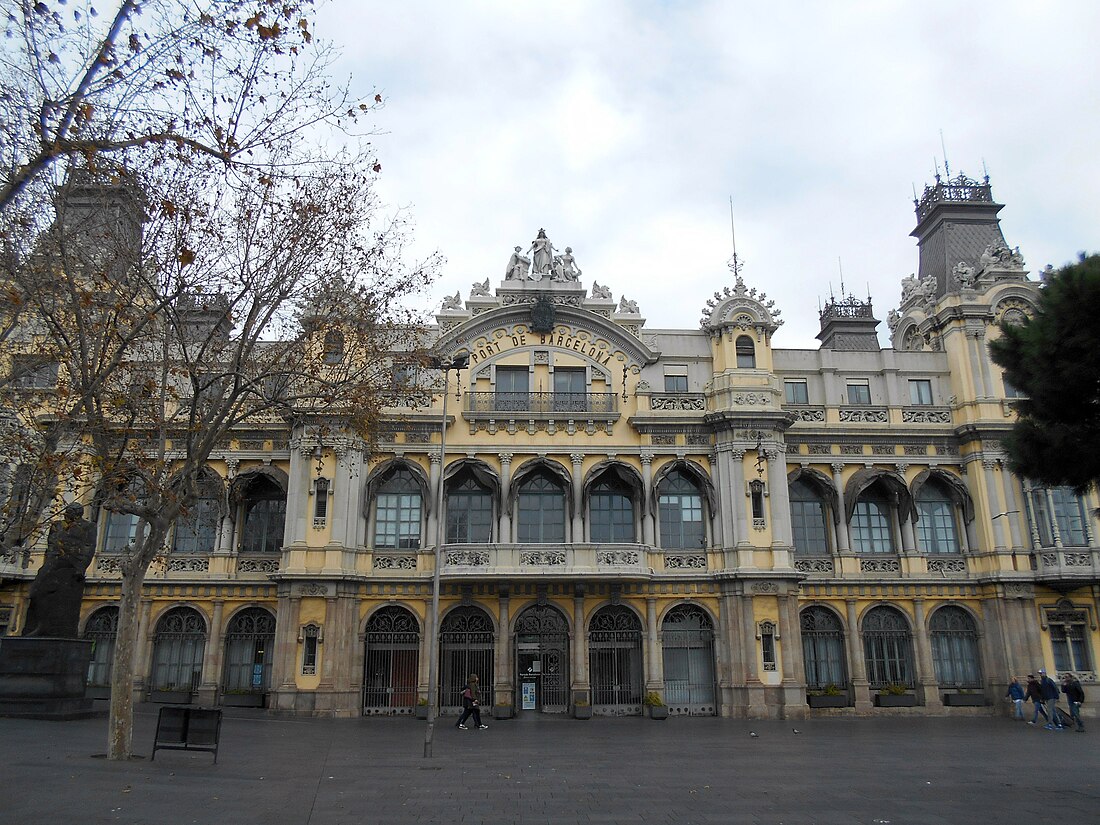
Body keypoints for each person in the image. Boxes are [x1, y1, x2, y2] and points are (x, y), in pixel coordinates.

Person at [22, 503, 97, 638]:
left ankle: (48, 627)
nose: (66, 514)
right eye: (66, 511)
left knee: (61, 597)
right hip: (53, 562)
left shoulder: (88, 527)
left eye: (70, 512)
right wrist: (49, 561)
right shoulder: (56, 526)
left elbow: (89, 547)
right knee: (35, 591)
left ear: (77, 513)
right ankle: (41, 624)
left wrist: (81, 567)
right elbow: (51, 544)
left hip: (72, 563)